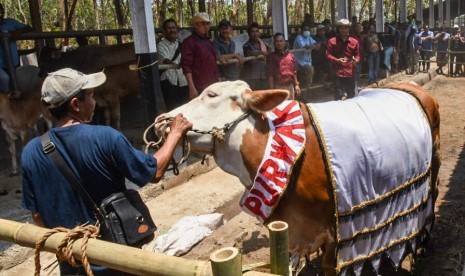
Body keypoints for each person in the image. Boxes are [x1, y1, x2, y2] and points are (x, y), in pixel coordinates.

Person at [21, 68, 192, 275]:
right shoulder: (107, 137)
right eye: (91, 95)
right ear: (75, 104)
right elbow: (153, 173)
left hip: (72, 262)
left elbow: (37, 215)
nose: (94, 101)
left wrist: (66, 241)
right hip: (116, 259)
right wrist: (174, 133)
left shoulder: (30, 151)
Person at [181, 12, 220, 99]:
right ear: (196, 25)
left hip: (213, 84)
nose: (206, 26)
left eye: (207, 24)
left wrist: (218, 79)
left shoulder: (209, 42)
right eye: (203, 23)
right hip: (199, 86)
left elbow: (213, 62)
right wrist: (192, 88)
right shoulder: (188, 42)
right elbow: (186, 66)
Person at [0, 3, 32, 93]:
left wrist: (18, 31)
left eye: (0, 12)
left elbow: (30, 28)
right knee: (4, 79)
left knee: (17, 83)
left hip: (13, 61)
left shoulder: (11, 22)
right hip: (1, 64)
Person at [157, 18, 188, 111]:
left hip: (183, 81)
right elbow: (166, 60)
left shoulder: (181, 44)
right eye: (169, 28)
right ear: (164, 31)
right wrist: (181, 64)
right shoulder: (161, 45)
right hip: (169, 82)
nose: (172, 30)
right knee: (172, 110)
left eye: (173, 28)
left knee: (185, 108)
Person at [326, 19, 360, 100]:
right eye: (341, 28)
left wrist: (355, 60)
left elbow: (358, 55)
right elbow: (328, 54)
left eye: (346, 28)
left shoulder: (354, 42)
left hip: (350, 72)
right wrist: (337, 60)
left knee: (351, 96)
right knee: (338, 95)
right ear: (338, 29)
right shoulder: (332, 41)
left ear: (349, 29)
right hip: (337, 72)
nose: (344, 30)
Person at [266, 32, 300, 100]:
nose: (279, 43)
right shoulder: (271, 57)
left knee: (290, 108)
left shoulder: (290, 55)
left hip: (290, 87)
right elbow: (270, 75)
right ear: (274, 43)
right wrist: (272, 91)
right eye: (277, 41)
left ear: (284, 42)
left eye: (281, 41)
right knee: (280, 109)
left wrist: (296, 85)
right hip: (278, 88)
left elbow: (294, 71)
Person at [241, 22, 269, 90]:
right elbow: (248, 53)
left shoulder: (262, 44)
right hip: (251, 77)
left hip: (263, 75)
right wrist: (261, 53)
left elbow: (269, 52)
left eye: (257, 31)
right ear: (249, 34)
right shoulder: (246, 45)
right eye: (252, 32)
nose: (255, 34)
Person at [293, 21, 319, 91]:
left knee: (307, 75)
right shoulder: (299, 38)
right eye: (305, 30)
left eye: (308, 30)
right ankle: (308, 88)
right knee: (310, 69)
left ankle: (306, 89)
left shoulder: (309, 37)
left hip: (308, 61)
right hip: (299, 62)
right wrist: (313, 46)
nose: (307, 31)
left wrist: (314, 46)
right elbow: (305, 47)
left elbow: (317, 45)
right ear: (301, 30)